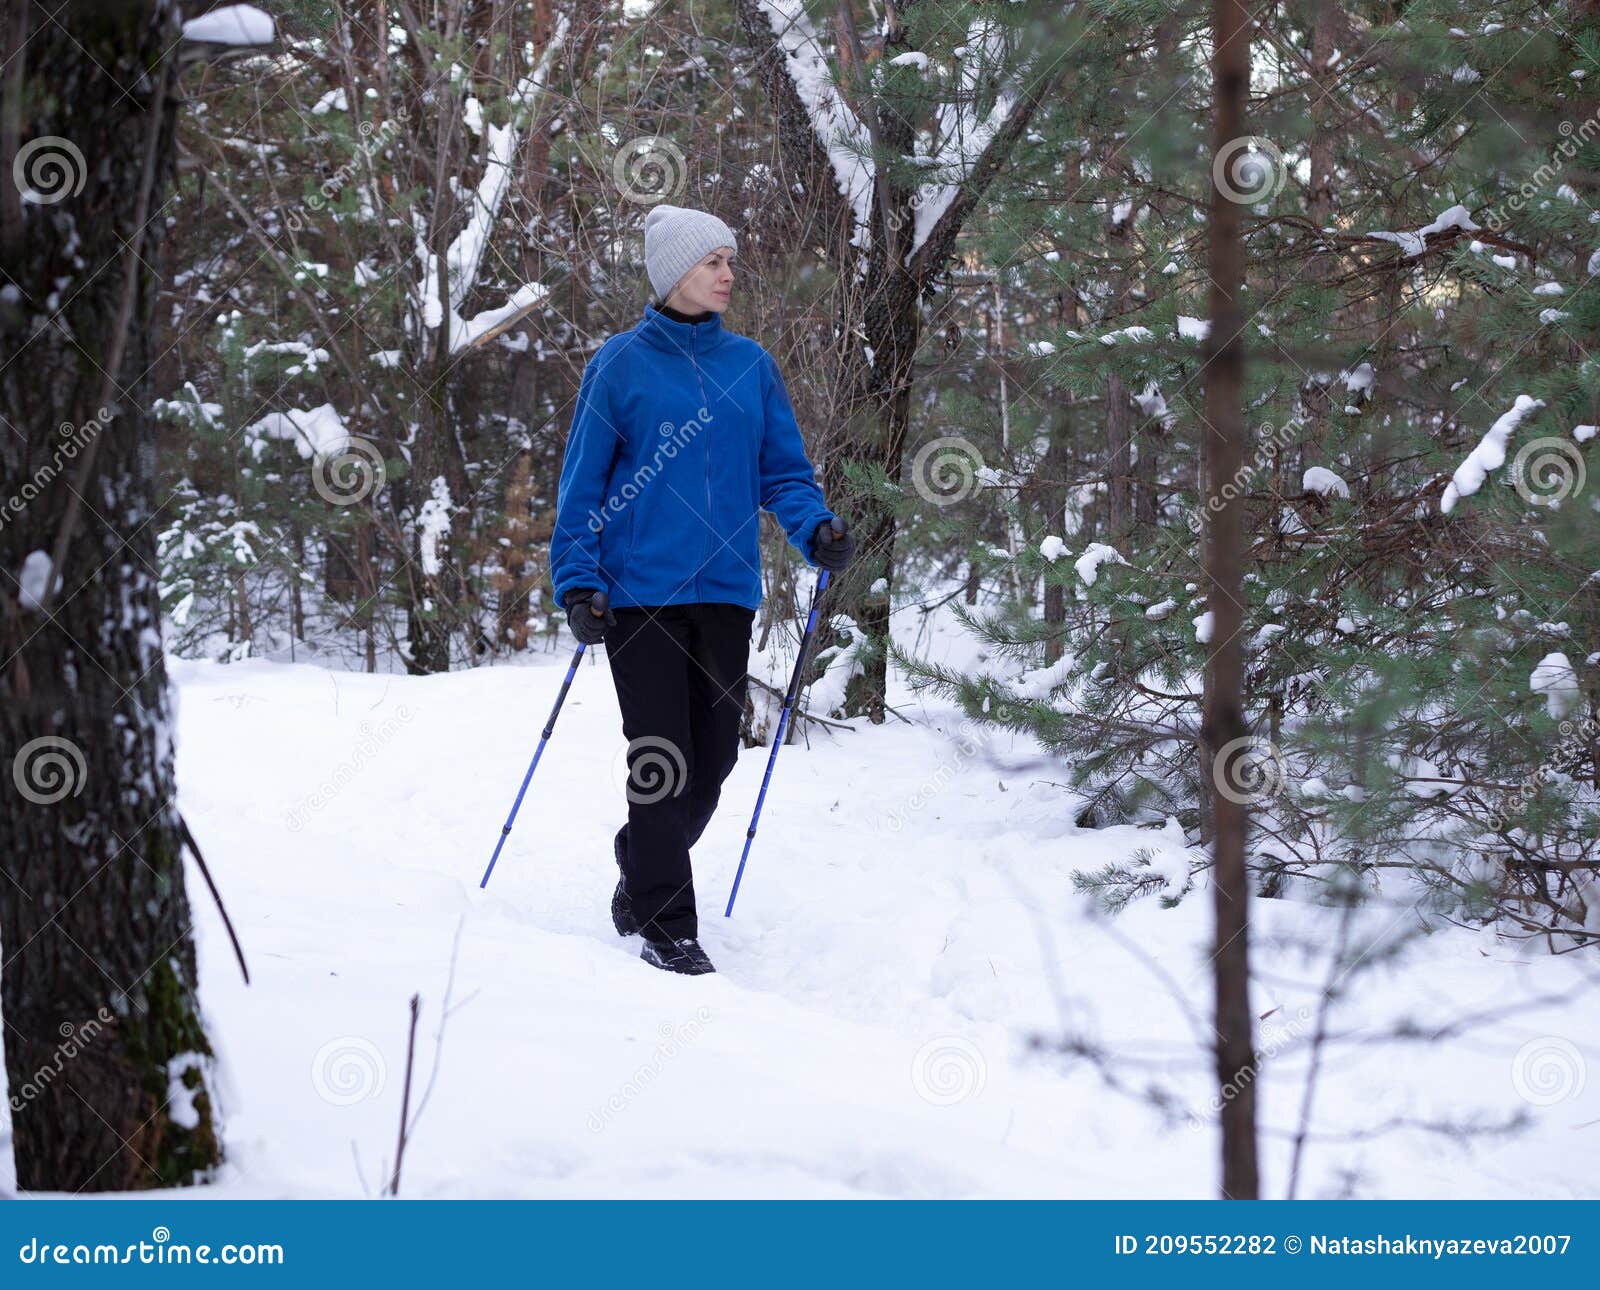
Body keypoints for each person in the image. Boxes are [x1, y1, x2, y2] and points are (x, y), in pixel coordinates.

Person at [548, 203, 855, 976]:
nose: (727, 273)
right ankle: (665, 922)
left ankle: (639, 856)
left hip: (723, 590)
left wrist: (812, 526)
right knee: (661, 756)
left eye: (729, 260)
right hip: (638, 595)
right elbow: (581, 486)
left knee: (714, 760)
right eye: (711, 260)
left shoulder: (750, 366)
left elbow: (781, 469)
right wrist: (577, 583)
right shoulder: (618, 366)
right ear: (671, 273)